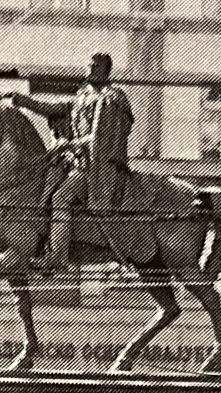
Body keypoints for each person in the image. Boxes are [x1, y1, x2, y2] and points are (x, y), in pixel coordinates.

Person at [9, 52, 133, 271]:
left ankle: (57, 257)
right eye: (89, 65)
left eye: (96, 66)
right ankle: (41, 238)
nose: (90, 69)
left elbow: (102, 137)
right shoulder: (83, 95)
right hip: (78, 162)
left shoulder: (112, 97)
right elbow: (53, 109)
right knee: (44, 182)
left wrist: (70, 144)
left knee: (61, 197)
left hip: (98, 167)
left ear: (106, 70)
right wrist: (21, 100)